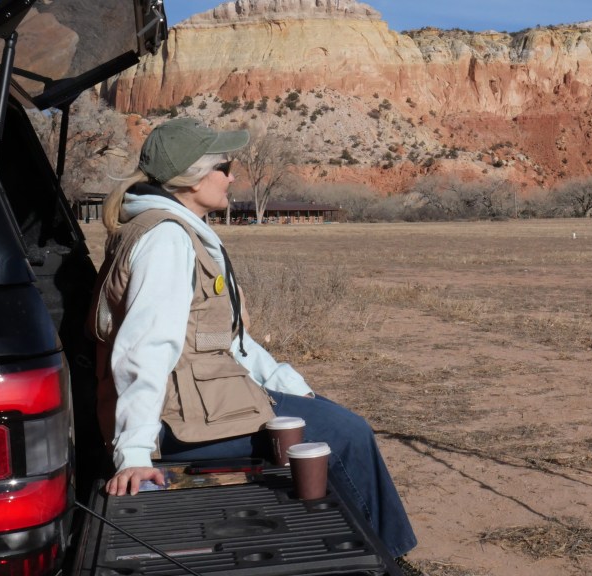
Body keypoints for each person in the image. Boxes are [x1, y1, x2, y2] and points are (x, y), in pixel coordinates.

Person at [90, 118, 418, 561]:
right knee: (347, 435)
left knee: (329, 417)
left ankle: (340, 552)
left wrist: (289, 383)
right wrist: (133, 453)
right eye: (224, 166)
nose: (232, 175)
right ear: (192, 178)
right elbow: (144, 350)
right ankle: (388, 560)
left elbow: (224, 339)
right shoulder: (166, 238)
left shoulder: (178, 231)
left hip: (206, 402)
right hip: (179, 420)